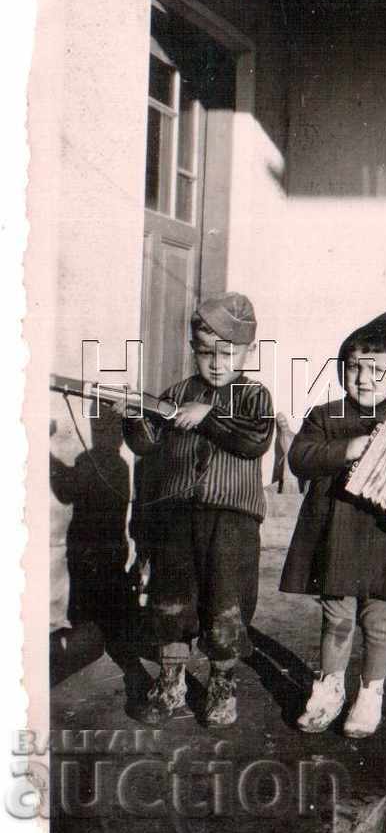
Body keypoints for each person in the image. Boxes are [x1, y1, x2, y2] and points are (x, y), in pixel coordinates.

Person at [279, 307, 386, 738]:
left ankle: (370, 692)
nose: (364, 378)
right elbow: (299, 458)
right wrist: (350, 448)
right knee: (336, 617)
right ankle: (329, 688)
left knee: (379, 622)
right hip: (336, 538)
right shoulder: (326, 416)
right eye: (355, 367)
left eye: (376, 369)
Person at [119, 293, 273, 727]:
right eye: (206, 353)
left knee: (227, 604)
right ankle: (171, 683)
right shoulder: (175, 393)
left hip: (231, 522)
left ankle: (222, 685)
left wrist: (205, 416)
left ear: (248, 352)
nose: (217, 363)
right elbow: (146, 445)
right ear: (194, 350)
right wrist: (133, 417)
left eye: (228, 354)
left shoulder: (254, 396)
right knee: (172, 600)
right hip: (177, 516)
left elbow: (255, 439)